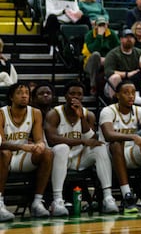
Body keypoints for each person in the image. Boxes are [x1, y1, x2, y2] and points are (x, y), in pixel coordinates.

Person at [44, 79, 118, 214]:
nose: (76, 97)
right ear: (65, 96)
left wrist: (81, 118)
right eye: (72, 93)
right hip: (59, 159)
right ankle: (57, 200)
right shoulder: (54, 114)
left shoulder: (88, 114)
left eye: (79, 94)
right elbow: (52, 139)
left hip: (80, 158)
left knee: (100, 147)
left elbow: (92, 140)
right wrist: (81, 142)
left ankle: (108, 198)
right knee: (62, 148)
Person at [98, 81, 141, 213]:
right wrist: (133, 137)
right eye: (126, 93)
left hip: (130, 154)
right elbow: (108, 135)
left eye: (133, 93)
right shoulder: (107, 111)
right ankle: (127, 196)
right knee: (116, 144)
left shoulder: (140, 111)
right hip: (109, 157)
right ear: (118, 95)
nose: (131, 96)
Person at [0, 82, 55, 219]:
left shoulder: (35, 113)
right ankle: (0, 202)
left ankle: (37, 202)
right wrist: (21, 146)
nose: (24, 96)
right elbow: (1, 143)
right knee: (4, 153)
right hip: (4, 156)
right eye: (19, 93)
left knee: (47, 153)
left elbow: (38, 139)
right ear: (11, 97)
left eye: (26, 93)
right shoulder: (1, 113)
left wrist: (40, 145)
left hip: (22, 157)